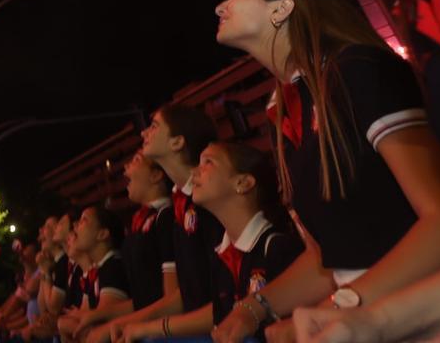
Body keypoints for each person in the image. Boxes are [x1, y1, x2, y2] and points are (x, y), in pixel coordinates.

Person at [209, 0, 440, 343]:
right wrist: (255, 309)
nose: (221, 7)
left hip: (435, 317)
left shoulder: (356, 70)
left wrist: (342, 307)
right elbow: (330, 259)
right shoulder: (286, 110)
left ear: (281, 8)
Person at [120, 141, 304, 341]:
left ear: (242, 183)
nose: (194, 173)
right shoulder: (221, 256)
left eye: (208, 163)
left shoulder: (277, 247)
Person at [96, 104, 221, 343]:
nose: (143, 133)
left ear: (177, 142)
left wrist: (150, 328)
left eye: (153, 126)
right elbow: (185, 293)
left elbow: (227, 299)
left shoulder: (209, 198)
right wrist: (125, 323)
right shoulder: (181, 204)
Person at [58, 205, 131, 341]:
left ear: (102, 234)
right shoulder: (98, 269)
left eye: (83, 220)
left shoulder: (113, 266)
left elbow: (101, 320)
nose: (75, 226)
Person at [119, 153, 176, 312]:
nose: (125, 168)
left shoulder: (165, 217)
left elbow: (170, 296)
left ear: (156, 175)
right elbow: (141, 299)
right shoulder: (139, 220)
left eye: (136, 160)